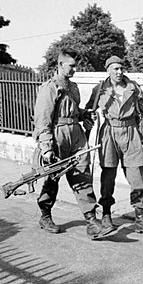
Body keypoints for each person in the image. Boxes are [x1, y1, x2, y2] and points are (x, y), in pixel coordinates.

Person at [33, 49, 111, 240]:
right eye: (72, 66)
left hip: (76, 134)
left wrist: (84, 114)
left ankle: (92, 221)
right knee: (53, 177)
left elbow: (73, 110)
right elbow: (42, 120)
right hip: (57, 134)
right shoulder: (49, 88)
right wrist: (46, 147)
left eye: (76, 66)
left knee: (82, 174)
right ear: (60, 65)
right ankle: (45, 215)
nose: (75, 70)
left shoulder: (73, 87)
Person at [85, 55, 143, 234]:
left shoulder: (133, 88)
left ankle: (140, 218)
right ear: (108, 70)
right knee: (108, 176)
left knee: (137, 177)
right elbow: (88, 110)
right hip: (109, 133)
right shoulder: (100, 89)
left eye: (121, 68)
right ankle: (107, 215)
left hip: (131, 132)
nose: (119, 72)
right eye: (115, 68)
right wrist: (91, 115)